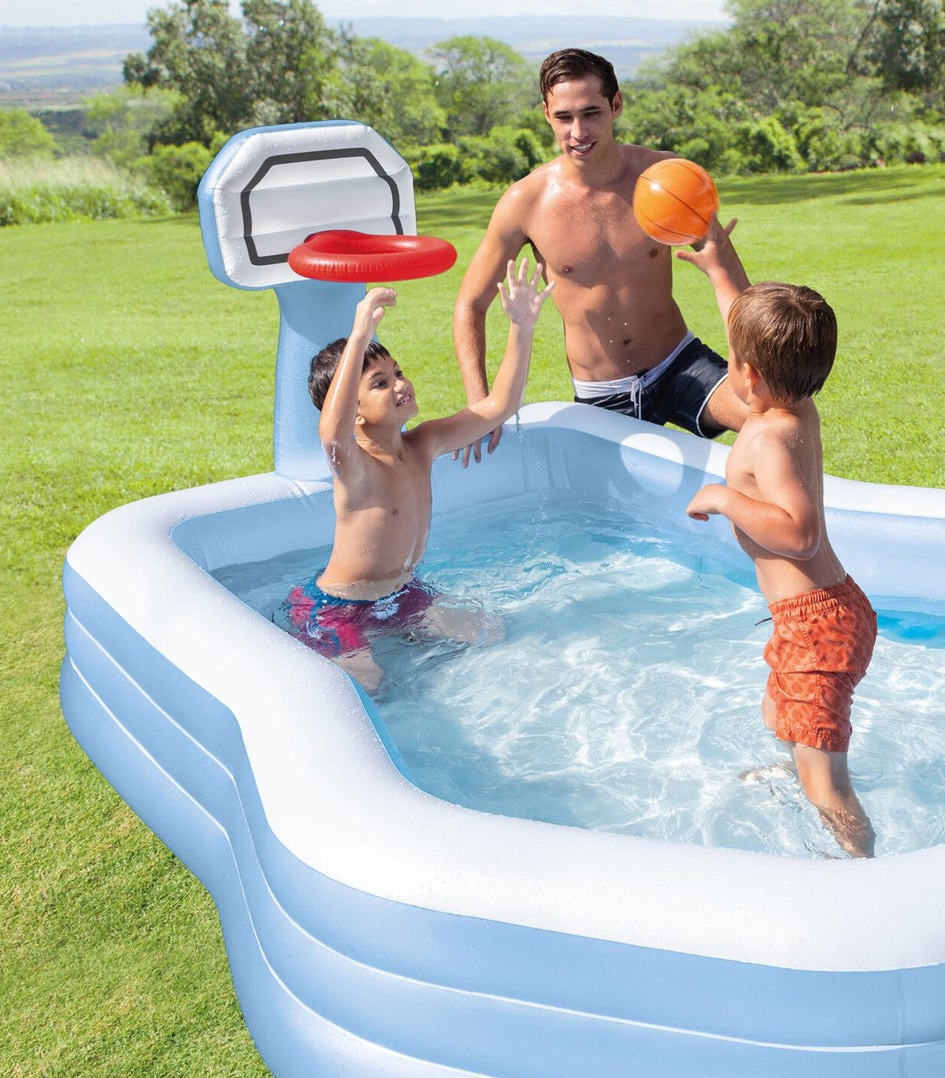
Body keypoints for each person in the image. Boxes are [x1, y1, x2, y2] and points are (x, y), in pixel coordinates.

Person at [453, 47, 751, 456]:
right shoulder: (525, 202)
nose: (578, 132)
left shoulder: (666, 178)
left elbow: (735, 279)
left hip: (679, 364)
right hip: (602, 394)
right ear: (546, 114)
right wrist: (482, 405)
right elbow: (470, 305)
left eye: (591, 113)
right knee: (607, 516)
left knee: (770, 419)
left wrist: (757, 365)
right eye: (564, 117)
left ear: (616, 105)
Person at [681, 262, 877, 859]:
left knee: (828, 786)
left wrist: (724, 499)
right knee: (778, 714)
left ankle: (869, 879)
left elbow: (801, 534)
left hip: (815, 626)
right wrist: (717, 263)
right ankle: (795, 772)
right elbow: (749, 332)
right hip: (820, 616)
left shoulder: (768, 436)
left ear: (750, 374)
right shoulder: (790, 407)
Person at [288, 259, 553, 693]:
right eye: (379, 383)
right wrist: (359, 337)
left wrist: (521, 328)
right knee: (368, 687)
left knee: (490, 631)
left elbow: (497, 408)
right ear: (351, 409)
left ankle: (409, 639)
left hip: (402, 597)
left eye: (398, 372)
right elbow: (331, 435)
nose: (400, 384)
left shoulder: (422, 445)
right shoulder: (353, 463)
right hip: (336, 607)